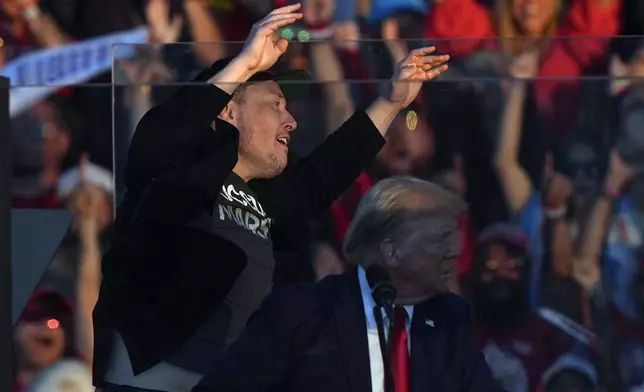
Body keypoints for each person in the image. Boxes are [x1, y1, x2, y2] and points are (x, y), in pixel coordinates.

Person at [93, 4, 450, 392]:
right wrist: (244, 64)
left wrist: (391, 103)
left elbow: (321, 176)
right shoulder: (174, 172)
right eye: (275, 104)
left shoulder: (259, 198)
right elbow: (165, 138)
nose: (291, 120)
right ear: (228, 110)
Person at [191, 176, 505, 392]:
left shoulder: (450, 318)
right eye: (440, 239)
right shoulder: (302, 314)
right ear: (392, 251)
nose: (455, 251)